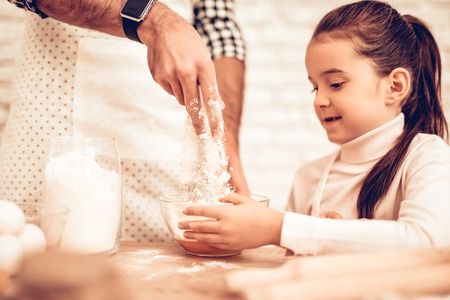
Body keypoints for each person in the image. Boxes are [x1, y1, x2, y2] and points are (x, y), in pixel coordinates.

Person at [179, 0, 450, 255]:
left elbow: (429, 242)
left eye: (335, 84)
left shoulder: (426, 157)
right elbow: (294, 270)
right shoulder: (308, 179)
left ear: (395, 86)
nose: (319, 100)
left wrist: (279, 228)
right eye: (315, 87)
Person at [1, 0, 249, 242]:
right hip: (53, 119)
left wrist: (222, 141)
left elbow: (218, 29)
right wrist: (153, 21)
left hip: (157, 142)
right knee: (39, 262)